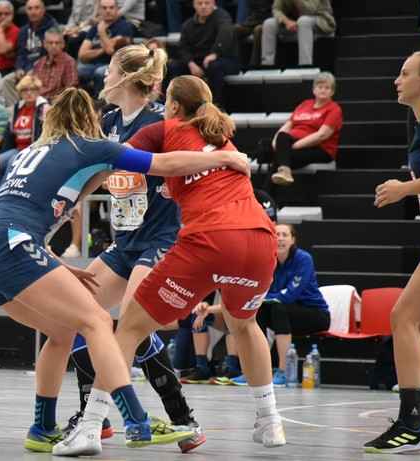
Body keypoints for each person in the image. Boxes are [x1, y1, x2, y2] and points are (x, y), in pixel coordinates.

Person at [0, 86, 251, 456]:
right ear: (90, 119)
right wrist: (225, 158)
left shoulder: (29, 151)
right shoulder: (89, 145)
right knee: (99, 321)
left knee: (62, 332)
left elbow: (21, 214)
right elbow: (166, 165)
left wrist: (56, 266)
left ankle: (42, 427)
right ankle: (137, 420)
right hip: (13, 246)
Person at [71, 74, 284, 452]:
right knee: (244, 324)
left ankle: (91, 425)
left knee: (129, 329)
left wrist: (69, 195)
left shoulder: (163, 129)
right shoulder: (222, 137)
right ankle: (270, 422)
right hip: (259, 239)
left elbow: (114, 161)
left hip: (209, 239)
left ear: (172, 106)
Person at [60, 44, 205, 453]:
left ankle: (181, 417)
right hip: (123, 242)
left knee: (131, 324)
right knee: (77, 313)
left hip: (161, 238)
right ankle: (95, 418)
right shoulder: (108, 122)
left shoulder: (161, 122)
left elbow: (191, 164)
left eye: (108, 68)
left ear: (124, 77)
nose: (103, 75)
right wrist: (69, 199)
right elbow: (94, 170)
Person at [364, 50, 420, 453]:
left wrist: (405, 188)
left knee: (403, 315)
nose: (397, 80)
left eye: (404, 73)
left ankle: (411, 425)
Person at [234, 223, 329, 386]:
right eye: (277, 235)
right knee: (258, 311)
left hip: (315, 314)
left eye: (285, 235)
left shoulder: (303, 259)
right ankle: (253, 371)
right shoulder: (268, 260)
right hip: (285, 313)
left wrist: (266, 297)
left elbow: (290, 295)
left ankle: (284, 371)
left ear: (293, 240)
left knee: (279, 309)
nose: (280, 239)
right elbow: (261, 290)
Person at [263, 71, 342, 188]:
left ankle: (266, 194)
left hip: (320, 149)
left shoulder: (334, 109)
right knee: (282, 137)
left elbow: (321, 135)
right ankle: (281, 175)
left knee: (280, 157)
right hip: (296, 143)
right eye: (320, 87)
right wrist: (276, 142)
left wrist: (292, 147)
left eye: (327, 88)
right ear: (314, 89)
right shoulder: (305, 104)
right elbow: (287, 126)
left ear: (332, 92)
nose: (323, 90)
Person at [175, 0, 240, 109]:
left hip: (225, 59)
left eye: (207, 3)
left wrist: (215, 53)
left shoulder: (222, 17)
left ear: (213, 3)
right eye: (200, 3)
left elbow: (226, 34)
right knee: (173, 67)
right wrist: (191, 64)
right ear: (194, 5)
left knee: (214, 67)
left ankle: (217, 108)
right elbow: (183, 48)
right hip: (197, 62)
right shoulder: (188, 24)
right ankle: (170, 107)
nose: (203, 6)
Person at [0, 0, 57, 107]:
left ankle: (33, 110)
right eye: (30, 9)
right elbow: (21, 54)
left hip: (45, 69)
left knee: (29, 82)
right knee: (6, 81)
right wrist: (19, 68)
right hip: (25, 69)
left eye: (36, 8)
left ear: (43, 10)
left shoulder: (52, 29)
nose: (33, 11)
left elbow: (50, 54)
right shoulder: (24, 31)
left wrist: (35, 68)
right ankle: (16, 110)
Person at [0, 74, 49, 188]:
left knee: (12, 162)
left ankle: (2, 193)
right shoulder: (17, 108)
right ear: (20, 92)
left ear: (38, 91)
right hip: (17, 148)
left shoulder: (44, 108)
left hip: (34, 149)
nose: (29, 93)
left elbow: (47, 133)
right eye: (25, 90)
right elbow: (9, 133)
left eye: (33, 89)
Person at [76, 0, 134, 93]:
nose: (108, 10)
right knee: (75, 70)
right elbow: (82, 55)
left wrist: (101, 30)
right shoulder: (94, 28)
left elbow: (110, 50)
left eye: (111, 7)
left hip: (114, 65)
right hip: (92, 65)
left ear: (117, 9)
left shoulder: (125, 26)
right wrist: (103, 49)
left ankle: (99, 100)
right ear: (99, 10)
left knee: (99, 73)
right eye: (104, 8)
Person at [261, 0, 335, 68]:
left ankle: (305, 65)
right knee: (269, 23)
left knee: (303, 21)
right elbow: (276, 9)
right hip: (295, 22)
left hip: (320, 21)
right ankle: (267, 64)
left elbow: (309, 11)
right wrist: (286, 21)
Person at [29, 27, 78, 103]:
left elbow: (70, 91)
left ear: (63, 44)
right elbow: (32, 88)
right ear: (44, 44)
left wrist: (55, 103)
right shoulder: (38, 64)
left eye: (57, 43)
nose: (54, 46)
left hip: (56, 104)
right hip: (37, 102)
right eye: (50, 43)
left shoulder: (69, 62)